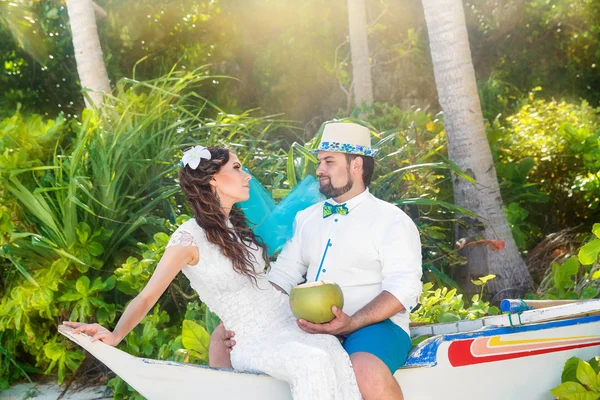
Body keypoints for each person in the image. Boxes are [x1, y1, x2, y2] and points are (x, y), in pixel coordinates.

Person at [63, 146, 362, 400]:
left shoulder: (240, 225)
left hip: (287, 321)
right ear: (214, 180)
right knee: (310, 362)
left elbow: (263, 283)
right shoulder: (188, 239)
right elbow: (147, 295)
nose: (247, 176)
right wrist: (115, 336)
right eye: (237, 168)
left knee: (327, 349)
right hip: (253, 340)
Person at [210, 122, 423, 400]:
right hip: (308, 325)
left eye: (329, 162)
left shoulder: (392, 220)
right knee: (225, 339)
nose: (319, 170)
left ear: (356, 165)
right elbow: (282, 277)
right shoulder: (306, 218)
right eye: (320, 161)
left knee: (365, 370)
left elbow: (404, 287)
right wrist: (243, 316)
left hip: (377, 326)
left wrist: (353, 322)